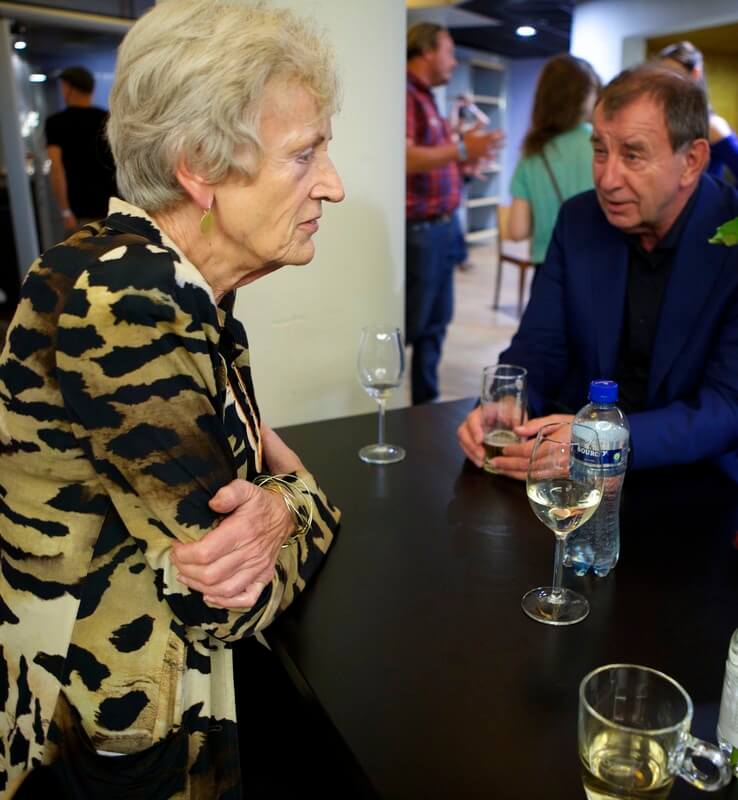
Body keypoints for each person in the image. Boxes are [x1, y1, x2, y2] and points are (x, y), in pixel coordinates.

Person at [0, 1, 344, 797]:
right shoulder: (129, 300)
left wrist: (267, 497)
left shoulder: (151, 272)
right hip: (109, 735)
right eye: (304, 155)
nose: (332, 183)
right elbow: (227, 602)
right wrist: (301, 499)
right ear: (201, 165)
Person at [457, 65, 738, 483]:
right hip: (570, 471)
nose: (607, 179)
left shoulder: (732, 233)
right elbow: (539, 345)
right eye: (600, 151)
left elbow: (727, 405)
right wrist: (506, 403)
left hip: (694, 480)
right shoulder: (579, 219)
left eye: (633, 155)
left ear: (692, 161)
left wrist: (602, 440)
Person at [405, 22, 503, 404]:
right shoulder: (407, 95)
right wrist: (463, 150)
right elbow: (405, 156)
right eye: (448, 50)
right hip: (420, 231)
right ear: (427, 50)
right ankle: (384, 408)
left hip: (443, 227)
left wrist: (462, 164)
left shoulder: (430, 98)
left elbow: (432, 158)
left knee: (436, 325)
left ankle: (423, 405)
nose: (452, 60)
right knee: (412, 326)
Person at [508, 54, 601, 268]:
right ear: (585, 95)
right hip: (594, 262)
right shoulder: (601, 145)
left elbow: (517, 230)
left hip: (547, 267)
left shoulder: (532, 152)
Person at [45, 65, 118, 233]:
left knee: (83, 256)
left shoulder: (56, 123)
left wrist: (65, 210)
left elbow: (56, 169)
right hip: (113, 207)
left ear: (67, 87)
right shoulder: (107, 119)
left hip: (80, 210)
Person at [657, 41, 738, 183]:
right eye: (662, 75)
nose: (666, 82)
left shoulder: (712, 125)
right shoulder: (664, 118)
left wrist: (727, 203)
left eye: (674, 74)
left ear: (695, 74)